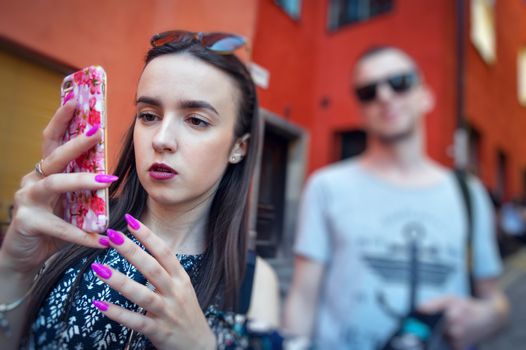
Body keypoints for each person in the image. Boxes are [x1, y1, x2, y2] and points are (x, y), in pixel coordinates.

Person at [0, 30, 280, 349]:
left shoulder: (253, 284)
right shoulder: (73, 233)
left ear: (238, 147)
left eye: (196, 121)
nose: (161, 139)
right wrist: (14, 269)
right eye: (148, 115)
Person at [284, 46, 509, 349]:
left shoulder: (468, 193)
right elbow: (302, 298)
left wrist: (489, 317)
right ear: (360, 111)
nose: (385, 96)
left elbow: (493, 298)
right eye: (368, 91)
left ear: (425, 95)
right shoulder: (326, 187)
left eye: (399, 82)